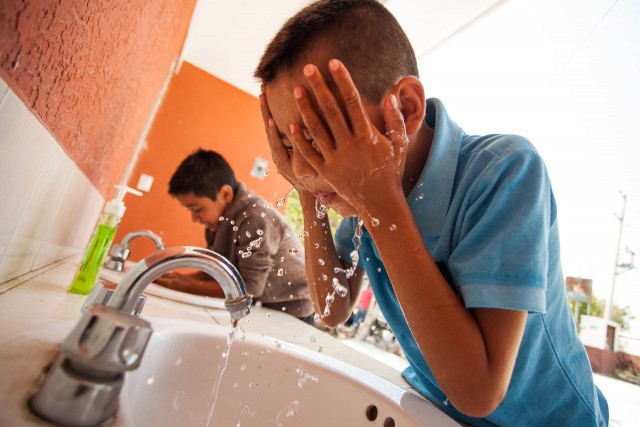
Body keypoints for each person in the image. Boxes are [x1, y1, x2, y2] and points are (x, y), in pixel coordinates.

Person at [254, 0, 608, 425]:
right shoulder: (360, 197)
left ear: (403, 109)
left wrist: (379, 202)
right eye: (291, 147)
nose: (303, 167)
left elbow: (479, 391)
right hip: (435, 408)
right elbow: (334, 307)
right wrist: (307, 191)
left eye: (321, 136)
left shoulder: (505, 172)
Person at [154, 148, 315, 322]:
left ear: (225, 194)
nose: (195, 218)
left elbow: (250, 288)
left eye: (197, 209)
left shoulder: (255, 218)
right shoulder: (217, 220)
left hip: (294, 310)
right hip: (263, 304)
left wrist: (183, 284)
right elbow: (215, 272)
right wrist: (177, 279)